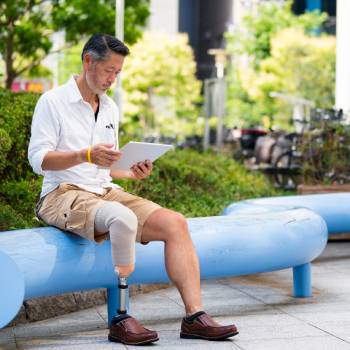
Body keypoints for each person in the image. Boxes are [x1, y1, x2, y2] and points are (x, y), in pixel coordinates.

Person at [28, 33, 238, 345]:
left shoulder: (109, 107)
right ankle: (121, 318)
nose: (113, 79)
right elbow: (38, 159)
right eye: (108, 70)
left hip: (103, 189)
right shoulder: (53, 102)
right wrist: (84, 154)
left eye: (118, 73)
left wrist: (131, 171)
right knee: (122, 218)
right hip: (62, 193)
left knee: (175, 223)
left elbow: (105, 168)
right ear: (88, 62)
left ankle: (195, 317)